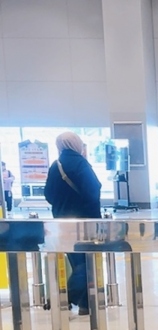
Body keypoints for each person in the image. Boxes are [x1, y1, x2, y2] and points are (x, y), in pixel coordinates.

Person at [43, 132, 102, 314]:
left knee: (77, 261)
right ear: (77, 144)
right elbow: (93, 191)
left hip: (62, 221)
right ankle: (66, 296)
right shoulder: (80, 163)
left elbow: (48, 195)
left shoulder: (56, 165)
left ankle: (86, 304)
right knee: (87, 261)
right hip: (84, 221)